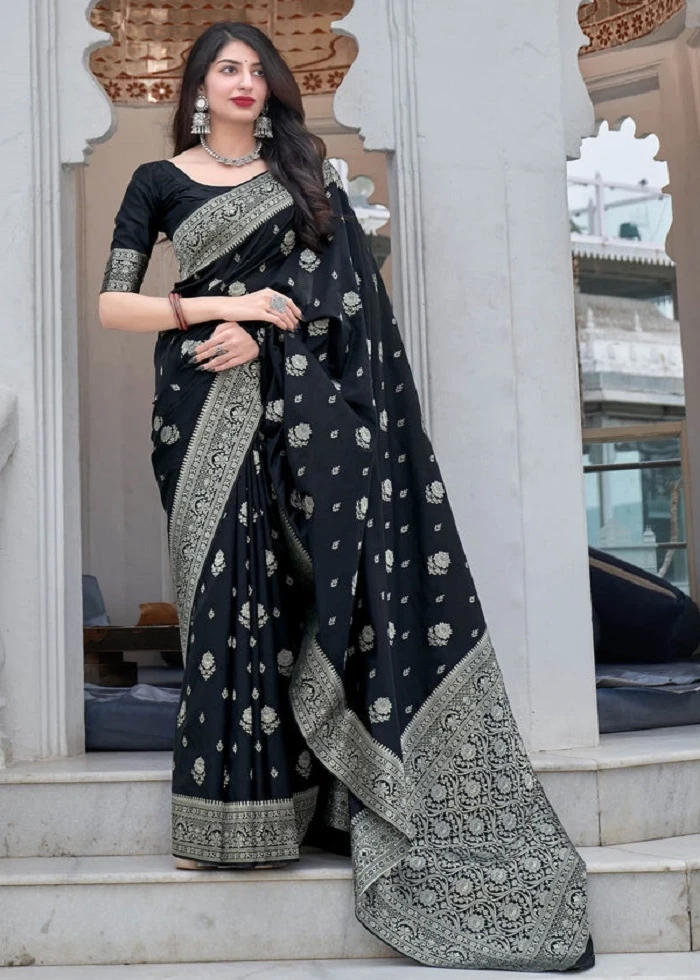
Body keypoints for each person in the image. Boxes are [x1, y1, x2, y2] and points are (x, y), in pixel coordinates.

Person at [98, 21, 594, 973]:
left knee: (297, 596)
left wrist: (269, 337)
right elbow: (116, 304)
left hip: (293, 412)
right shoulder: (158, 182)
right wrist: (228, 307)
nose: (243, 82)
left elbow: (347, 304)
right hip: (197, 409)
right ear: (197, 86)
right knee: (218, 604)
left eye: (256, 69)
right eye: (225, 68)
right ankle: (221, 821)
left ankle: (310, 804)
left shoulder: (303, 175)